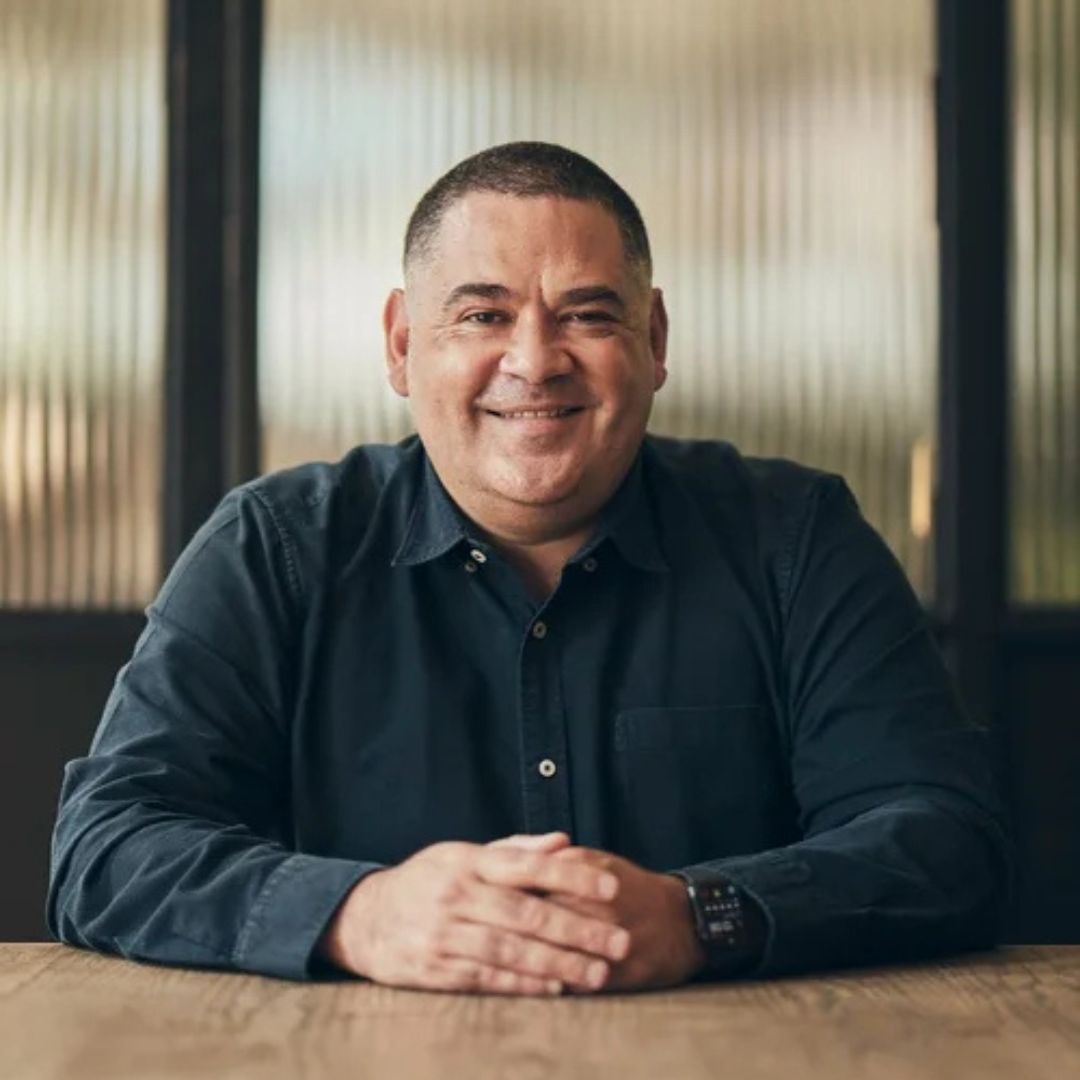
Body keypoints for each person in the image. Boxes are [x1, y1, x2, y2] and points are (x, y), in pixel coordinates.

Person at [47, 142, 1010, 995]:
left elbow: (943, 835)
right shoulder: (274, 545)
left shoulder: (796, 536)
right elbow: (109, 845)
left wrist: (699, 915)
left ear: (656, 340)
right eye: (482, 314)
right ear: (401, 343)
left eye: (587, 315)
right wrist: (362, 913)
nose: (535, 360)